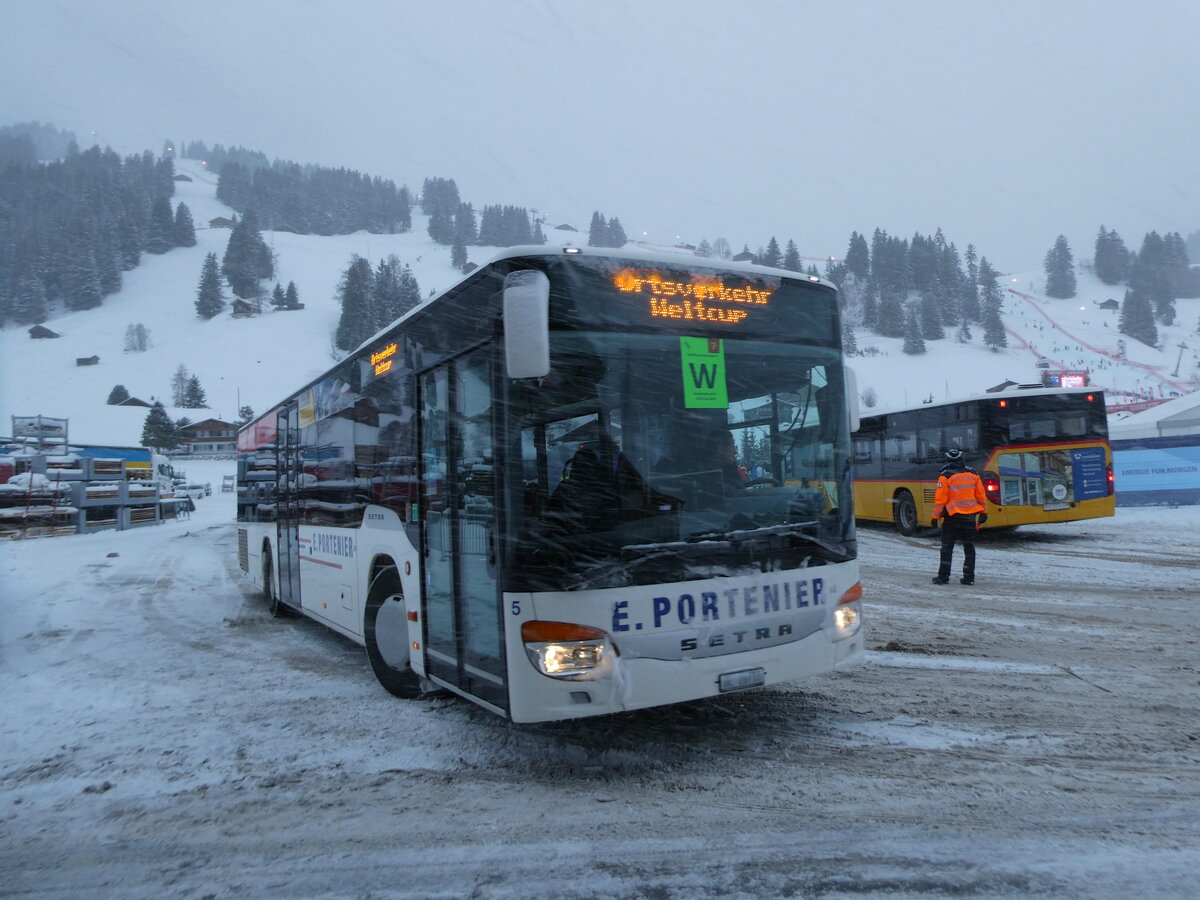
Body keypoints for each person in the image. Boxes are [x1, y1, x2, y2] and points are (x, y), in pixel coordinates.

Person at [929, 448, 987, 585]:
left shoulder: (945, 476)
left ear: (948, 460)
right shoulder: (973, 473)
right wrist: (984, 512)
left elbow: (940, 500)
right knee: (969, 547)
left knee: (947, 548)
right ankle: (969, 578)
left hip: (953, 517)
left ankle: (943, 577)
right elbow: (981, 495)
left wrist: (935, 517)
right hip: (970, 517)